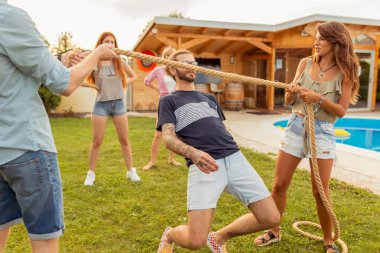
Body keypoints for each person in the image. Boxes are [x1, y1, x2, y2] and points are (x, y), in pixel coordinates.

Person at [0, 1, 117, 252]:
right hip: (26, 146)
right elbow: (64, 83)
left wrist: (59, 60)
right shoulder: (8, 16)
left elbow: (11, 73)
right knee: (45, 240)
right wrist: (96, 55)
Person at [155, 50, 280, 253]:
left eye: (193, 62)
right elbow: (168, 138)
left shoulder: (209, 98)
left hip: (235, 159)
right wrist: (193, 154)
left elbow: (219, 128)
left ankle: (219, 237)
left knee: (271, 217)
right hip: (204, 166)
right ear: (172, 69)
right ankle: (170, 234)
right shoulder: (169, 101)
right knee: (195, 241)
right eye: (185, 63)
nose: (191, 65)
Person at [254, 21, 359, 253]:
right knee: (279, 184)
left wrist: (318, 99)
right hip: (295, 125)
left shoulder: (346, 72)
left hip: (322, 131)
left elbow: (341, 111)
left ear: (335, 41)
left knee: (319, 191)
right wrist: (291, 93)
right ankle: (274, 230)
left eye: (322, 38)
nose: (316, 42)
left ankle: (328, 240)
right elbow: (288, 101)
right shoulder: (304, 63)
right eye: (316, 37)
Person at [83, 32, 141, 186]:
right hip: (101, 105)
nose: (110, 44)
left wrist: (122, 83)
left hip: (119, 105)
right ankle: (91, 174)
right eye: (107, 41)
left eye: (113, 42)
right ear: (100, 44)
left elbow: (133, 76)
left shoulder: (119, 61)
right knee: (97, 141)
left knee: (124, 140)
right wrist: (93, 85)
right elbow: (80, 78)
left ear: (115, 45)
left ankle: (130, 171)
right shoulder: (95, 61)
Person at [142, 46, 181, 171]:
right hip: (164, 102)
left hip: (177, 103)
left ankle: (171, 159)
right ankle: (152, 162)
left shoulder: (177, 71)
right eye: (167, 55)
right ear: (163, 57)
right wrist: (158, 89)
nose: (169, 57)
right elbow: (146, 81)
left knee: (175, 133)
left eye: (172, 55)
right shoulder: (159, 70)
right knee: (158, 134)